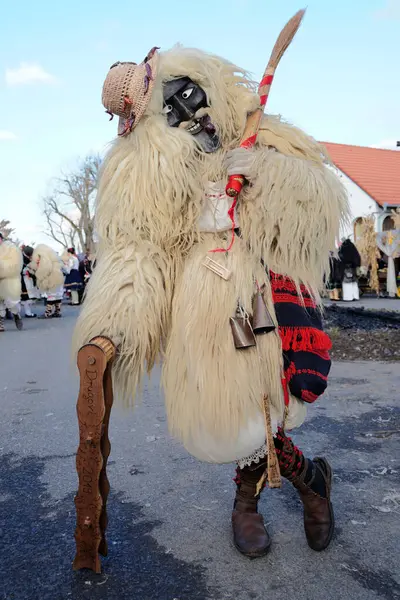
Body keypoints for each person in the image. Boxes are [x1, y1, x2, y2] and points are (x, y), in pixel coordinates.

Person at [73, 46, 348, 556]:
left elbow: (319, 208)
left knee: (263, 407)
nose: (186, 113)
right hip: (199, 303)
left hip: (256, 293)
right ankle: (305, 482)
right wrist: (115, 321)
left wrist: (267, 173)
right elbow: (140, 247)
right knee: (223, 421)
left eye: (187, 98)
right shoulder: (151, 173)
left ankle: (261, 497)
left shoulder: (257, 134)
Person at [28, 244, 67, 318]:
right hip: (59, 276)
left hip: (52, 277)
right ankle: (58, 311)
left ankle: (48, 313)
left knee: (51, 294)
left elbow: (44, 269)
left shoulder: (43, 258)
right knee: (58, 294)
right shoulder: (54, 258)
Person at [0, 232, 23, 331]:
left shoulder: (11, 249)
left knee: (12, 302)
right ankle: (0, 323)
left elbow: (15, 265)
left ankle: (16, 314)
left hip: (9, 278)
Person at [20, 245, 39, 318]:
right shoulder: (22, 258)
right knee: (26, 297)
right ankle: (27, 313)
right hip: (24, 279)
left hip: (26, 279)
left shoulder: (23, 257)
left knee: (25, 297)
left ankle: (24, 312)